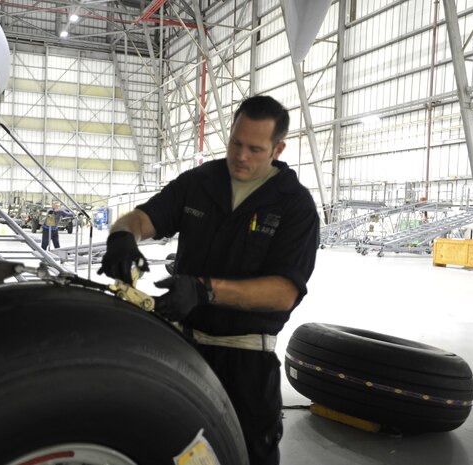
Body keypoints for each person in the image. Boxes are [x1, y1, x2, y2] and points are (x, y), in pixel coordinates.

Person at [98, 95, 319, 464]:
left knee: (247, 454)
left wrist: (206, 290)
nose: (241, 156)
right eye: (236, 143)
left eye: (254, 148)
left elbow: (283, 292)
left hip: (246, 361)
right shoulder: (199, 183)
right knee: (169, 447)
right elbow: (142, 218)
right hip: (184, 351)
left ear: (278, 149)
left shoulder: (294, 206)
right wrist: (122, 237)